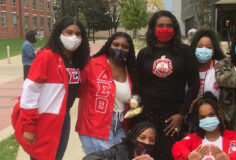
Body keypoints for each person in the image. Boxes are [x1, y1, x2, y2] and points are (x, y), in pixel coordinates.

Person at [11, 16, 90, 160]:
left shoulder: (76, 60)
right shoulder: (46, 56)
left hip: (64, 118)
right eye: (69, 32)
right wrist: (29, 126)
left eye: (78, 34)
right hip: (44, 119)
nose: (74, 37)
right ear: (60, 33)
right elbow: (30, 92)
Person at [136, 10, 200, 160]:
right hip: (148, 114)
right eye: (160, 25)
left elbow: (194, 84)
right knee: (147, 155)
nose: (165, 29)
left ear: (175, 29)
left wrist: (181, 114)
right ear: (153, 29)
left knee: (172, 155)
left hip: (173, 117)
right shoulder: (144, 54)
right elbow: (138, 85)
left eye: (169, 26)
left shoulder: (185, 52)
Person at [76, 32, 138, 155]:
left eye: (125, 47)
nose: (120, 49)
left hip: (120, 126)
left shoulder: (129, 69)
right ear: (109, 45)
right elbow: (77, 90)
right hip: (95, 127)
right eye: (116, 44)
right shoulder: (93, 64)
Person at [172, 91, 236, 160]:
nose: (207, 119)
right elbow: (177, 148)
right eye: (202, 117)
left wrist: (230, 158)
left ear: (219, 114)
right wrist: (188, 157)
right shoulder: (192, 139)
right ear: (198, 120)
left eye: (211, 114)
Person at [83, 122, 156, 160]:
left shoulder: (156, 155)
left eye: (152, 140)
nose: (147, 142)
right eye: (142, 138)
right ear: (133, 139)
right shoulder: (119, 152)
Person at [190, 28, 225, 98]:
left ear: (214, 51)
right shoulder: (188, 67)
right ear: (194, 48)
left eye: (209, 47)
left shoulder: (221, 67)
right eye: (200, 46)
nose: (204, 50)